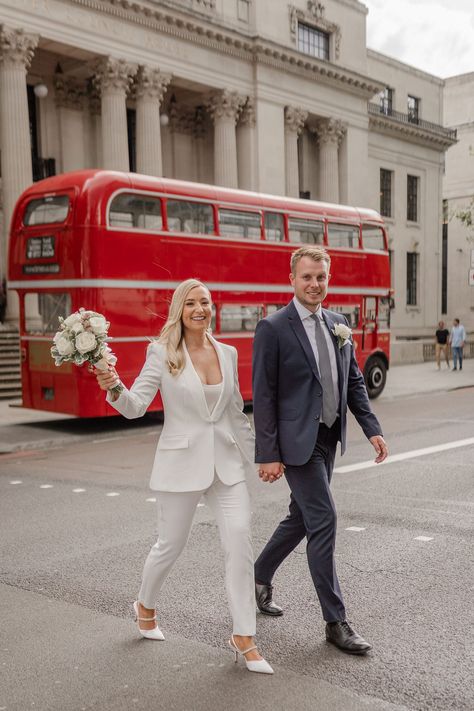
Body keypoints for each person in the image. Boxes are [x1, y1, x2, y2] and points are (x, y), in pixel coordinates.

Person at [94, 278, 273, 674]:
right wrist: (114, 386)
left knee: (240, 544)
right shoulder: (161, 353)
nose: (199, 309)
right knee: (169, 546)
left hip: (226, 467)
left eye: (205, 302)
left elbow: (234, 414)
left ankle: (244, 635)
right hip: (180, 466)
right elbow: (136, 406)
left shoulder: (226, 353)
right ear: (180, 308)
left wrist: (263, 456)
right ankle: (145, 604)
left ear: (213, 307)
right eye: (191, 302)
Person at [252, 246, 388, 655]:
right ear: (292, 279)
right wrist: (267, 452)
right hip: (296, 445)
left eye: (321, 277)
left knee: (302, 516)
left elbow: (354, 382)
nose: (315, 284)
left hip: (328, 438)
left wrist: (372, 429)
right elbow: (264, 394)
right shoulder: (273, 328)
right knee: (324, 518)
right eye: (307, 277)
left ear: (329, 279)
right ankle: (336, 621)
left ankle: (257, 574)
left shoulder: (338, 323)